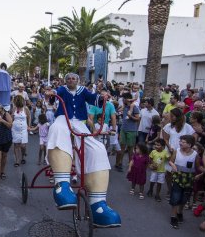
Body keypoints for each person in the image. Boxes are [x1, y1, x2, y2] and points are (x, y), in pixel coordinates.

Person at [46, 72, 121, 227]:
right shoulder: (62, 89)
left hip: (79, 122)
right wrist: (52, 93)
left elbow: (93, 98)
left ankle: (97, 203)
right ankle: (62, 186)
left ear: (78, 81)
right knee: (58, 131)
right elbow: (55, 95)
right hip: (63, 118)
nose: (71, 81)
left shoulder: (83, 91)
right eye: (69, 79)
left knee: (98, 148)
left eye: (74, 78)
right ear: (65, 81)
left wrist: (102, 98)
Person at [168, 135, 199, 229]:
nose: (180, 143)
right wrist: (172, 165)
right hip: (178, 177)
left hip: (189, 178)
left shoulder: (195, 154)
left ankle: (180, 212)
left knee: (184, 198)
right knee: (175, 196)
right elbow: (171, 161)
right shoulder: (176, 151)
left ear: (189, 144)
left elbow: (197, 167)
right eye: (180, 141)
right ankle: (173, 217)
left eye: (183, 142)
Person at [116, 92, 140, 172]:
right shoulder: (125, 106)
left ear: (127, 99)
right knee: (122, 147)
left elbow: (137, 119)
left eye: (123, 99)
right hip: (124, 129)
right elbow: (117, 110)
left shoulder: (135, 107)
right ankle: (120, 163)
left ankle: (131, 164)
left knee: (130, 148)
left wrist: (131, 117)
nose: (122, 100)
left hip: (131, 131)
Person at [12, 95, 30, 166]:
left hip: (23, 129)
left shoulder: (25, 109)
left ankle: (23, 156)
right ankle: (17, 160)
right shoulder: (14, 109)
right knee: (16, 144)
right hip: (15, 129)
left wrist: (28, 125)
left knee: (23, 145)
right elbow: (12, 117)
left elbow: (29, 117)